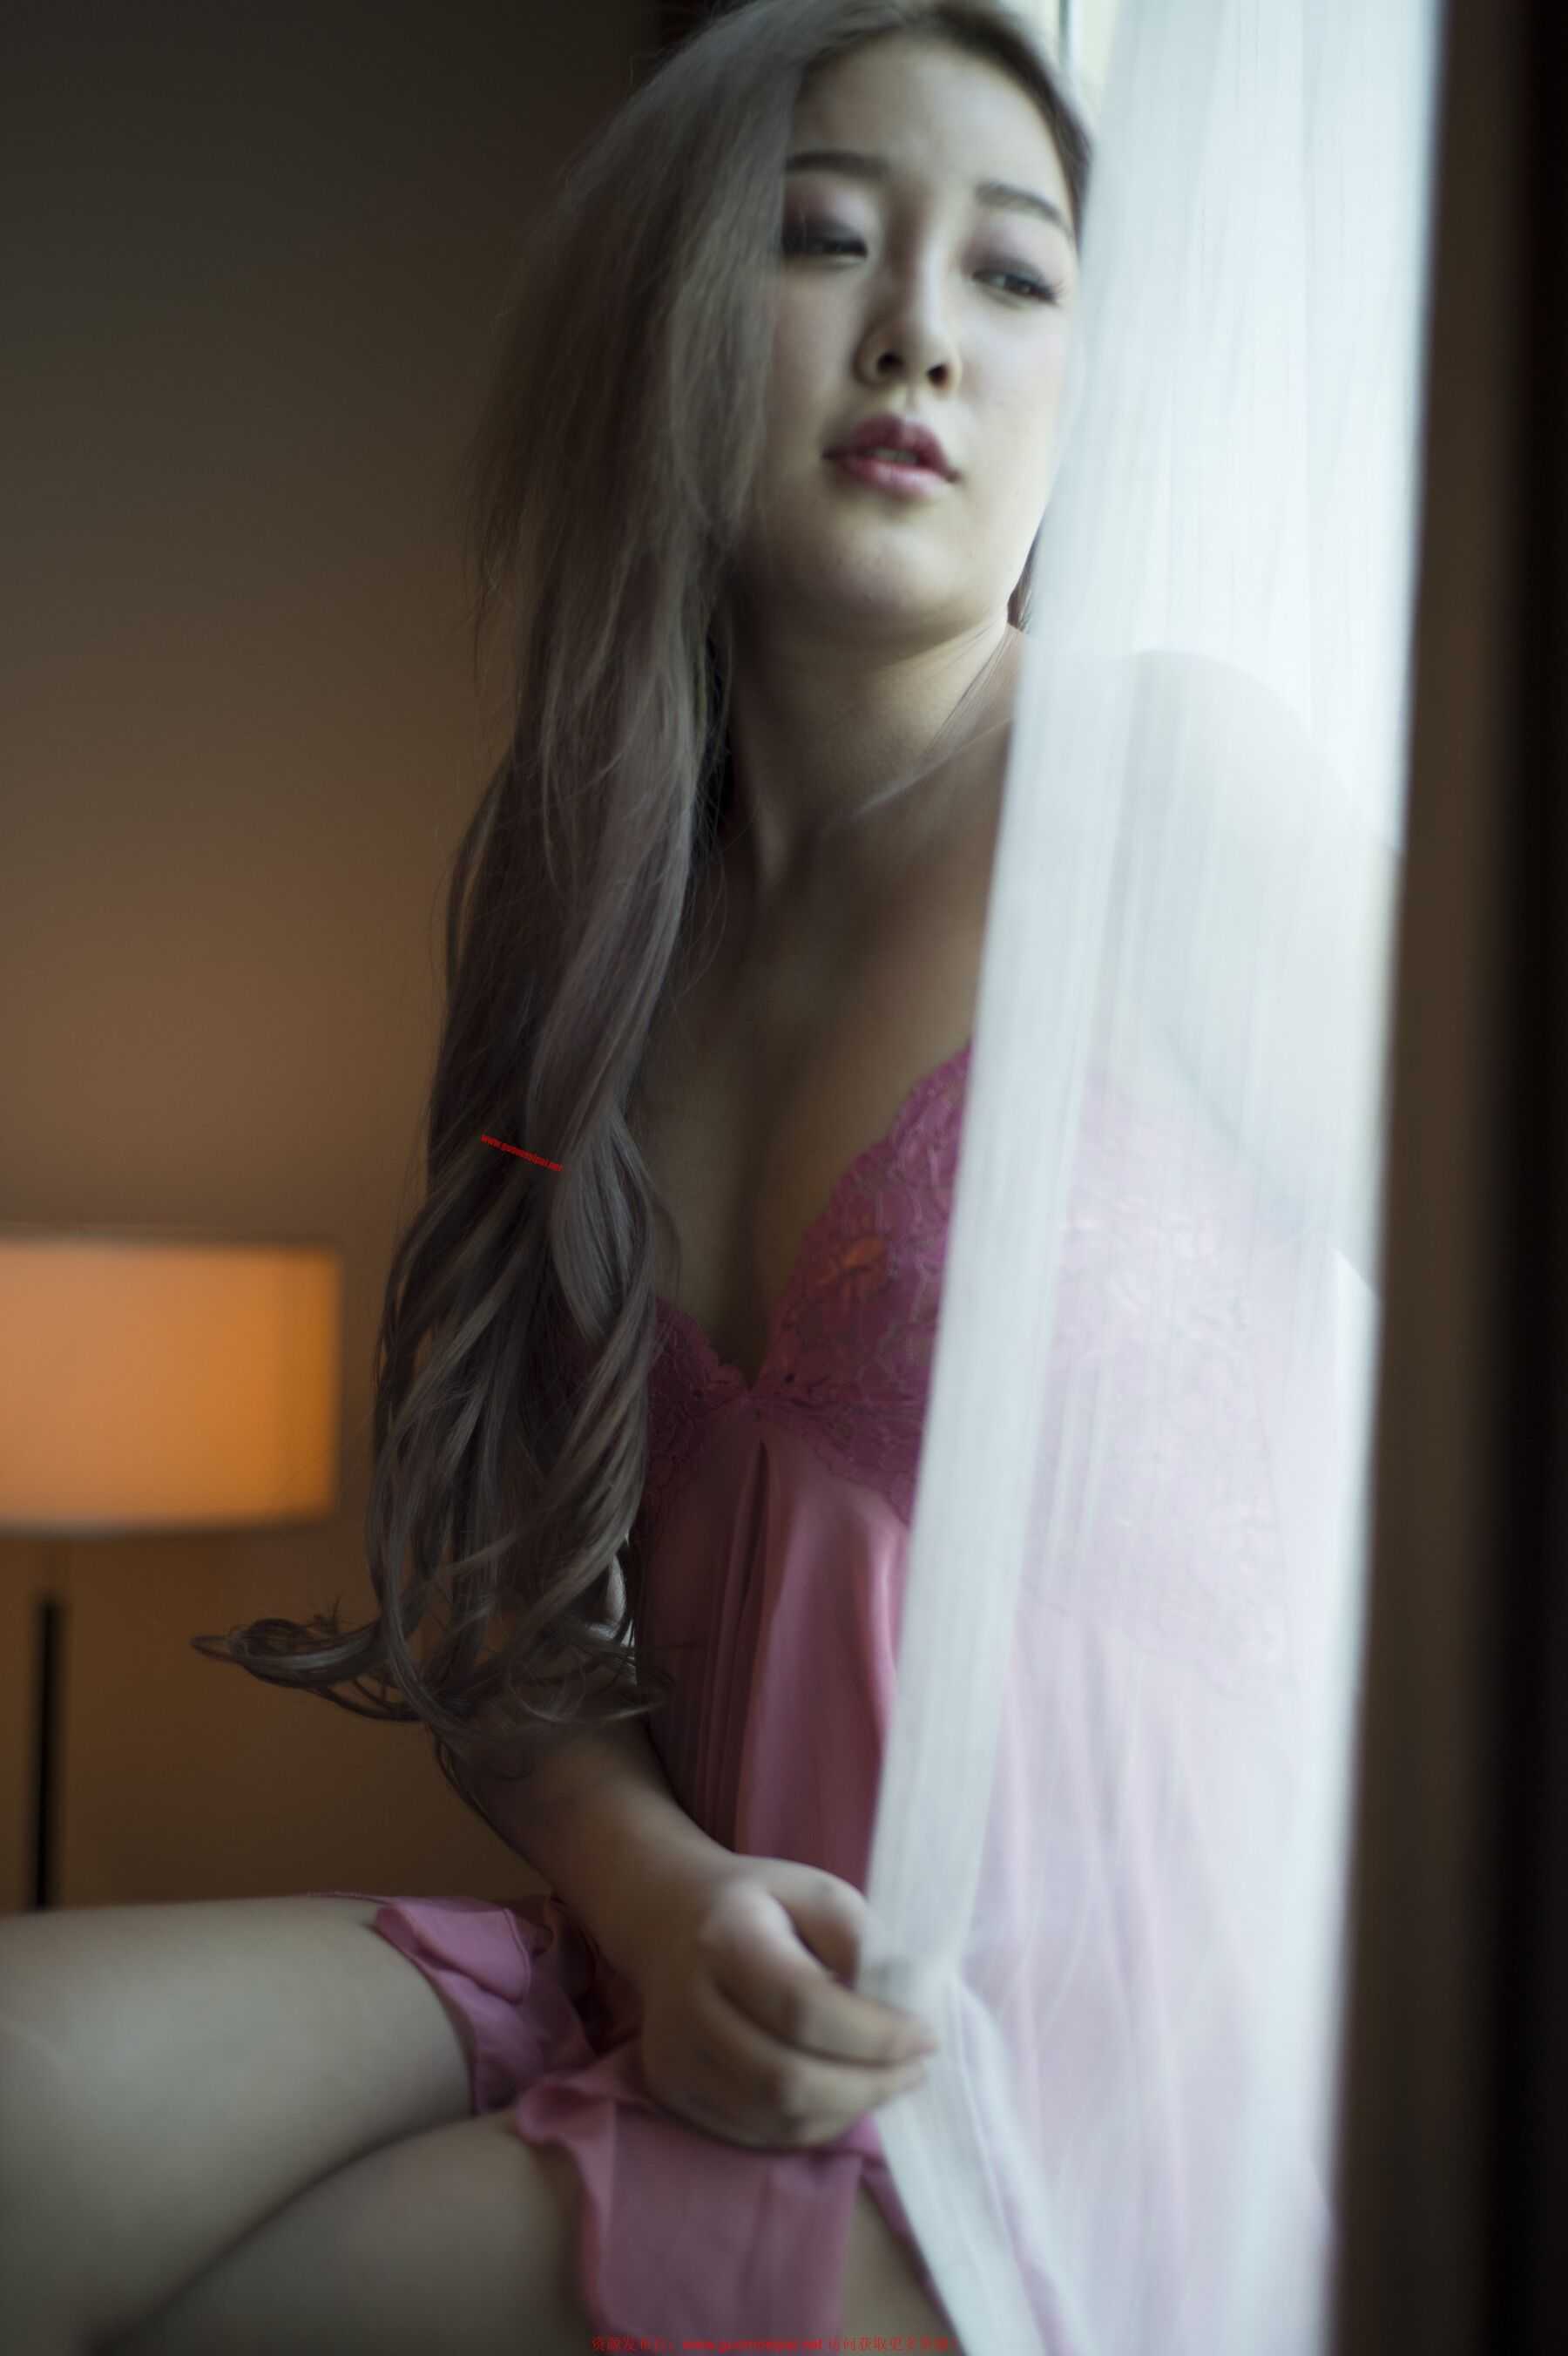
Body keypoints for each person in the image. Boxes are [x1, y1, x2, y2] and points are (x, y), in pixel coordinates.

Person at [0, 5, 1089, 2349]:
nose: (922, 328)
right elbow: (508, 1601)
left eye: (1016, 272)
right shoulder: (594, 918)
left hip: (1021, 2080)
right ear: (666, 314)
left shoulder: (1163, 811)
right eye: (826, 237)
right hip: (666, 1947)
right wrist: (664, 1890)